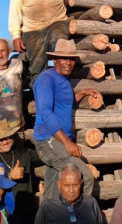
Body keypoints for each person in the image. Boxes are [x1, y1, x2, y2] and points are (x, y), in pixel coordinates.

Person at [32, 39, 102, 200]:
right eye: (64, 58)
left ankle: (46, 216)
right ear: (54, 59)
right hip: (48, 140)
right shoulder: (46, 79)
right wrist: (67, 143)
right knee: (84, 176)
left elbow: (64, 102)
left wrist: (83, 93)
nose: (68, 63)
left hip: (57, 141)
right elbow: (45, 113)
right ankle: (82, 214)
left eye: (71, 59)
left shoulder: (63, 79)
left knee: (51, 192)